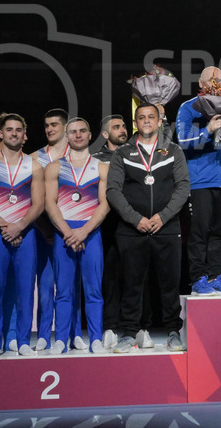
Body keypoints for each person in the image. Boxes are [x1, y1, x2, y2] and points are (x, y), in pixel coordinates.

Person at [107, 104, 190, 353]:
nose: (146, 121)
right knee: (132, 284)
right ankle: (128, 333)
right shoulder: (123, 153)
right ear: (135, 122)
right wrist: (136, 219)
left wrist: (162, 217)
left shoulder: (172, 151)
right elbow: (113, 191)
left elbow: (183, 186)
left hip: (166, 227)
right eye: (141, 117)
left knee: (169, 284)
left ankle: (173, 332)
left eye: (150, 117)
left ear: (158, 121)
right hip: (132, 230)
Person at [176, 66, 221, 295]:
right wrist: (208, 130)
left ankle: (215, 277)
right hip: (199, 182)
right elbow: (184, 141)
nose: (216, 84)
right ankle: (198, 279)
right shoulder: (189, 108)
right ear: (200, 83)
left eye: (220, 81)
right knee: (199, 231)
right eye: (211, 80)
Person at [0, 113, 44, 356]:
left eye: (18, 130)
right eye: (10, 130)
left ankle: (23, 341)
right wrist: (4, 226)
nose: (14, 133)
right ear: (1, 134)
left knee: (26, 290)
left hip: (25, 233)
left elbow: (38, 204)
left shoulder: (34, 165)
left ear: (24, 135)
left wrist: (20, 226)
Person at [44, 117, 109, 354]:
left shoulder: (102, 167)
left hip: (90, 233)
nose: (78, 135)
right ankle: (60, 339)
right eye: (73, 132)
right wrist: (67, 231)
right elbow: (50, 203)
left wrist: (84, 230)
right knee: (63, 291)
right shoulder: (55, 167)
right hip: (65, 232)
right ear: (66, 136)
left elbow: (104, 204)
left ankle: (95, 339)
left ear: (90, 135)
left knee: (93, 290)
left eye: (83, 131)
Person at [33, 108, 83, 350]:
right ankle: (43, 334)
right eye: (46, 125)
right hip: (45, 231)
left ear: (65, 127)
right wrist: (44, 228)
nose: (49, 129)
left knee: (72, 283)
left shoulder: (80, 156)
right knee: (45, 285)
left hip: (72, 231)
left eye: (54, 124)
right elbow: (31, 200)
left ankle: (75, 333)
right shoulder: (34, 158)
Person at [94, 114, 129, 349]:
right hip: (108, 223)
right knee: (111, 278)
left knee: (135, 277)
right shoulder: (95, 159)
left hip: (135, 223)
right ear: (105, 135)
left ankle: (134, 327)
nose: (122, 129)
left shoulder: (138, 153)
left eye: (124, 125)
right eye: (116, 127)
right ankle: (110, 327)